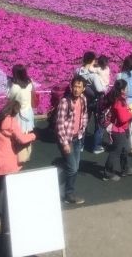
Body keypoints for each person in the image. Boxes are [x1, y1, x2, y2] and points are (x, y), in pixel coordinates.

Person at [0, 99, 36, 230]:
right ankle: (10, 210)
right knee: (11, 185)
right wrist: (32, 136)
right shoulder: (11, 122)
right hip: (7, 157)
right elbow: (22, 138)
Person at [55, 76, 88, 204]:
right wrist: (64, 143)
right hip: (67, 139)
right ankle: (69, 194)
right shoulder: (65, 102)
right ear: (71, 86)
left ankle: (63, 179)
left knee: (75, 166)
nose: (76, 89)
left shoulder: (83, 99)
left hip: (77, 138)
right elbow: (59, 124)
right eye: (74, 86)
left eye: (79, 87)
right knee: (73, 168)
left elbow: (84, 115)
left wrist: (82, 130)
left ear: (83, 89)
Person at [78, 52, 108, 153]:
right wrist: (105, 87)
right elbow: (100, 89)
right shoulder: (93, 76)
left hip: (83, 100)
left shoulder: (78, 71)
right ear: (92, 60)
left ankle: (80, 145)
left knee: (84, 122)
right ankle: (96, 146)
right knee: (99, 123)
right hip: (95, 102)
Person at [6, 65, 35, 164]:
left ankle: (21, 157)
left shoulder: (15, 87)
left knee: (18, 135)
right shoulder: (29, 82)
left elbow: (10, 98)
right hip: (28, 111)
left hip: (19, 113)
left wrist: (8, 85)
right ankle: (28, 153)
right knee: (27, 133)